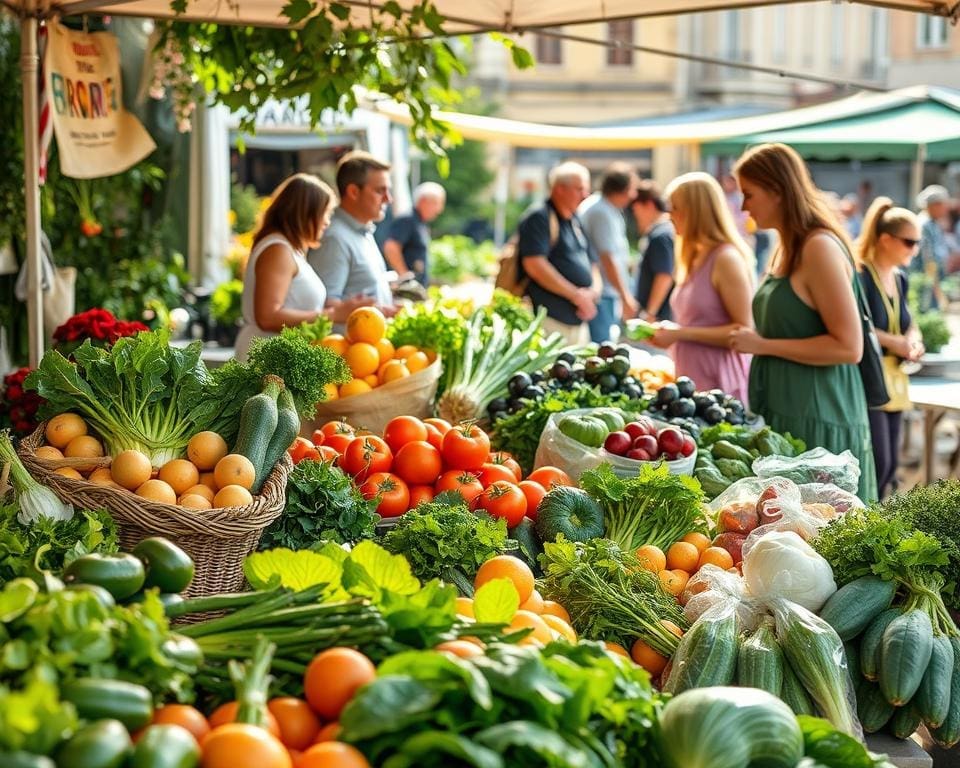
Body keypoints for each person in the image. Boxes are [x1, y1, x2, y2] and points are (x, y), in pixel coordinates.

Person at [728, 143, 878, 503]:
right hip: (789, 408)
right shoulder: (788, 245)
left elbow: (848, 346)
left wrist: (761, 345)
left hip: (818, 413)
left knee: (823, 534)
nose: (744, 206)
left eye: (749, 194)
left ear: (778, 191)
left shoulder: (818, 247)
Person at [235, 173, 373, 361]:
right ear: (306, 213)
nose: (327, 222)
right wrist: (332, 315)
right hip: (267, 360)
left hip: (280, 359)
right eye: (325, 213)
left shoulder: (289, 249)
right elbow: (267, 317)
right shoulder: (277, 249)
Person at [648, 172, 754, 403]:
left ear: (695, 211)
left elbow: (744, 330)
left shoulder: (726, 259)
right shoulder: (693, 255)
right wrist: (672, 332)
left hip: (719, 385)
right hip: (692, 381)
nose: (669, 215)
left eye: (675, 208)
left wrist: (679, 334)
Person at [856, 198, 925, 498]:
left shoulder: (900, 278)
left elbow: (909, 320)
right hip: (871, 376)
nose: (915, 249)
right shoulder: (862, 276)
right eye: (909, 242)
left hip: (896, 377)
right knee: (879, 462)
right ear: (885, 239)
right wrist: (895, 342)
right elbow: (859, 325)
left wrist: (914, 338)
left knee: (891, 465)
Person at [308, 151, 396, 328]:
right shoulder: (334, 238)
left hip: (370, 350)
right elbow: (325, 307)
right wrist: (382, 311)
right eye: (380, 191)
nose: (388, 199)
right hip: (348, 353)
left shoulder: (363, 231)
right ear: (354, 192)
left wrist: (389, 308)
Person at [517, 161, 601, 345]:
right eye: (579, 189)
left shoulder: (575, 220)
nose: (585, 195)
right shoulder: (539, 217)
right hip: (550, 322)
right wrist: (577, 296)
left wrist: (592, 294)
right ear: (560, 189)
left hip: (578, 321)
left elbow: (592, 262)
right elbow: (535, 265)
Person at [579, 163, 640, 342]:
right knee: (603, 349)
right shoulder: (601, 212)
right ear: (622, 190)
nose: (634, 195)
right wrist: (625, 296)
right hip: (602, 292)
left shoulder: (607, 209)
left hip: (607, 291)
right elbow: (607, 258)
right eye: (632, 189)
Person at [383, 181, 446, 287]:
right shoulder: (407, 219)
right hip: (406, 290)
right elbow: (391, 247)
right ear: (423, 201)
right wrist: (404, 275)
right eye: (436, 203)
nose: (439, 210)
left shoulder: (420, 222)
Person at [631, 181, 675, 322]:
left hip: (660, 317)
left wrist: (650, 312)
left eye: (636, 210)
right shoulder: (662, 232)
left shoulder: (660, 235)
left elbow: (664, 275)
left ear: (649, 205)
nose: (635, 216)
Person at [915, 184, 952, 309]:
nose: (946, 209)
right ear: (934, 204)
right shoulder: (924, 225)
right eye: (944, 205)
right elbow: (928, 262)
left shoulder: (933, 223)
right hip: (926, 283)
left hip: (932, 281)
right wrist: (938, 292)